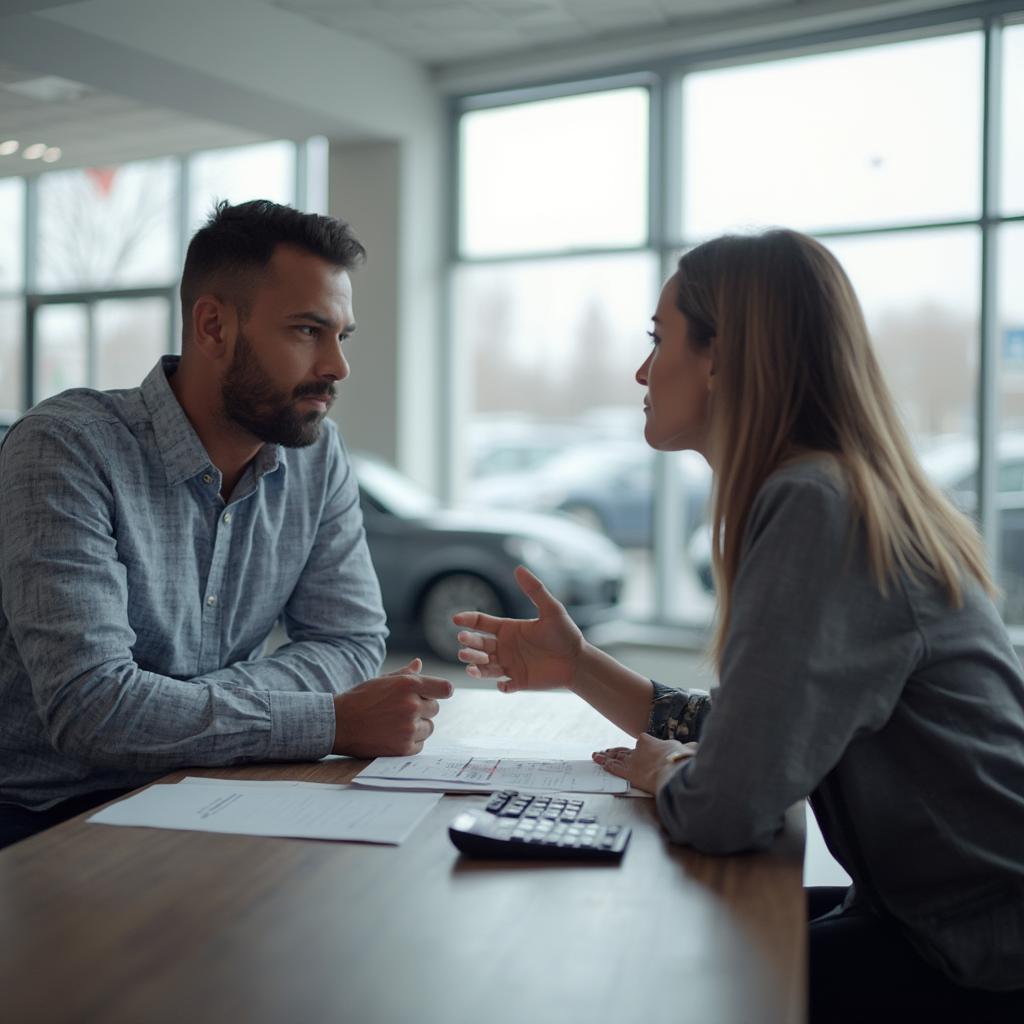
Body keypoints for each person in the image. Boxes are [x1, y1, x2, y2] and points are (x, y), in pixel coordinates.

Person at [453, 229, 1024, 1022]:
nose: (643, 370)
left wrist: (666, 775)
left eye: (661, 339)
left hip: (979, 954)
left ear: (723, 357)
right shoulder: (833, 490)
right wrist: (580, 666)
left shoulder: (814, 505)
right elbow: (762, 731)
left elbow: (726, 809)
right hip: (935, 920)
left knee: (632, 987)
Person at [0, 199, 451, 850]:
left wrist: (172, 706)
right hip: (47, 822)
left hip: (220, 788)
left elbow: (351, 642)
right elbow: (93, 709)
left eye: (341, 336)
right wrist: (323, 722)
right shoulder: (66, 448)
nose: (337, 366)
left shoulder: (317, 457)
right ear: (213, 326)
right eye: (306, 331)